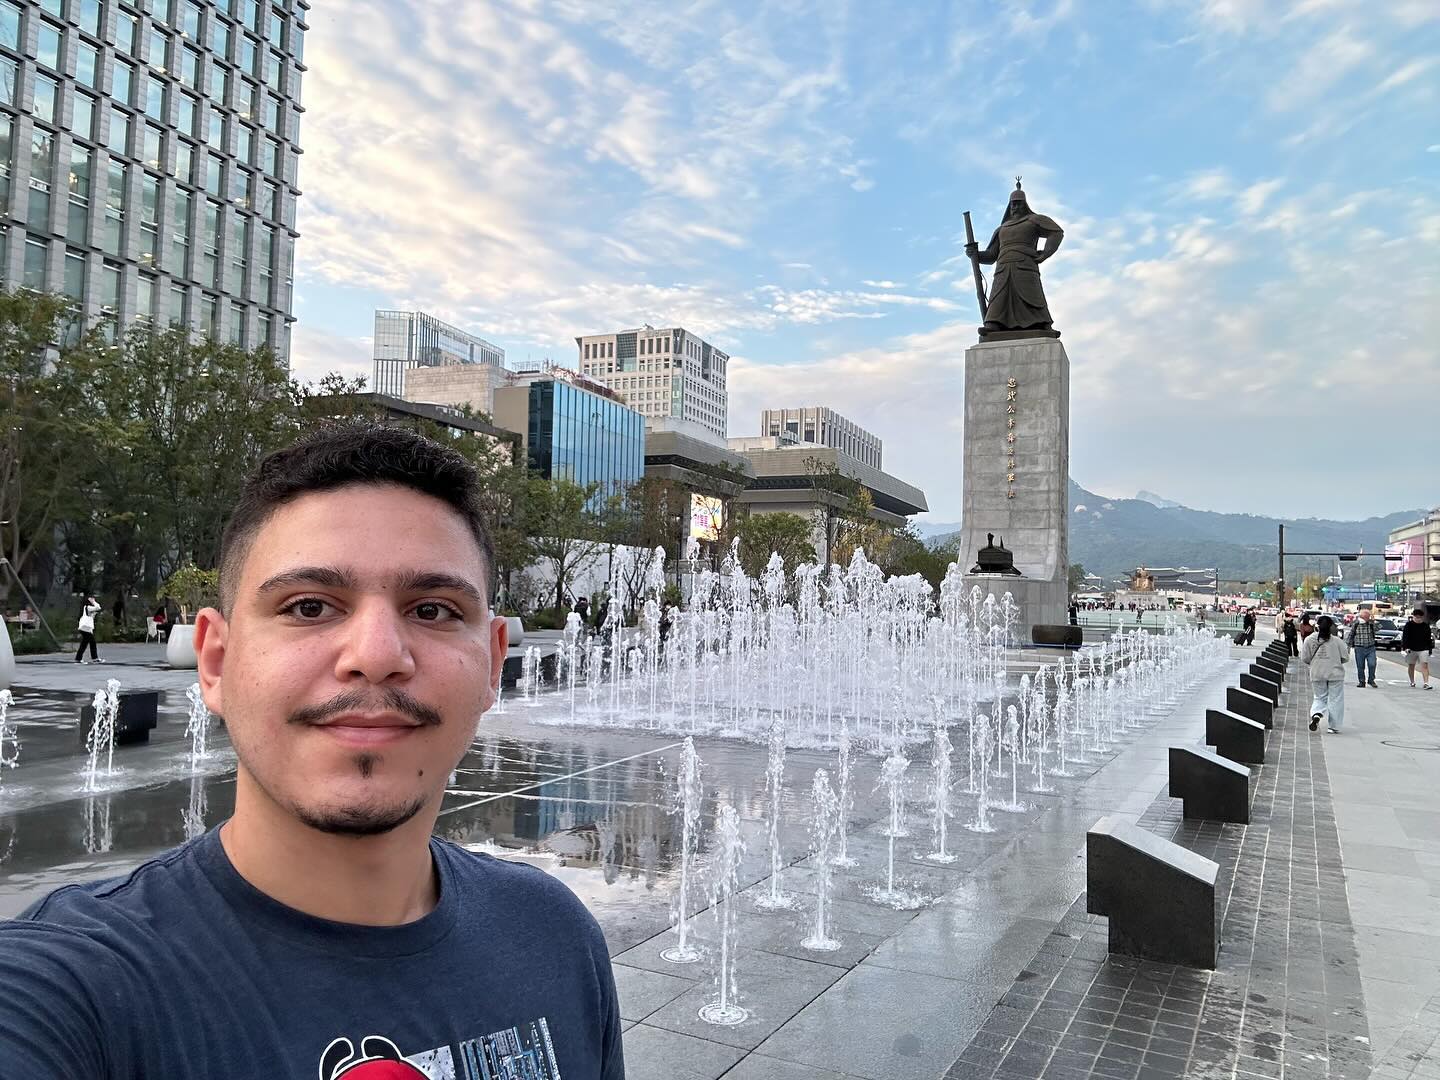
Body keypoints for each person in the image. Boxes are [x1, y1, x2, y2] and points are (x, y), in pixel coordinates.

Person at [0, 424, 625, 1079]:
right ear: (214, 662)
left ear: (494, 663)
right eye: (307, 606)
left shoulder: (553, 936)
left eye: (434, 610)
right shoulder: (71, 992)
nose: (378, 656)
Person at [1303, 614, 1351, 733]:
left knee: (1319, 697)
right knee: (1336, 699)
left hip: (1317, 673)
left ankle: (1316, 713)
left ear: (1317, 626)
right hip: (1335, 674)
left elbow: (1305, 658)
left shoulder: (1309, 640)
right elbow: (1345, 657)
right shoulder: (1337, 641)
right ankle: (1333, 726)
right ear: (1331, 627)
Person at [1401, 607, 1434, 690]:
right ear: (1413, 617)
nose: (1418, 619)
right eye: (1416, 617)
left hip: (1423, 648)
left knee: (1424, 665)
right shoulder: (1408, 625)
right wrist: (1405, 647)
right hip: (1411, 648)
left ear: (1422, 617)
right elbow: (1405, 637)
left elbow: (1428, 639)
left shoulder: (1425, 626)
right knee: (1411, 665)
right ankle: (1412, 681)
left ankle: (1426, 683)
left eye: (1419, 617)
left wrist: (1430, 649)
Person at [1346, 608, 1379, 688]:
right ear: (1362, 617)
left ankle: (1371, 680)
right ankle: (1361, 681)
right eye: (1366, 617)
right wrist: (1348, 646)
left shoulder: (1371, 624)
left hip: (1370, 647)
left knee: (1372, 664)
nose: (1367, 618)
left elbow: (1378, 628)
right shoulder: (1356, 624)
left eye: (1368, 617)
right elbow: (1351, 634)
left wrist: (1373, 621)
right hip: (1359, 648)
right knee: (1360, 666)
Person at [74, 595, 102, 665]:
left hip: (86, 628)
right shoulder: (88, 607)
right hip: (85, 628)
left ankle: (78, 659)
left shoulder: (87, 608)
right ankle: (94, 658)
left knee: (84, 644)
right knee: (92, 643)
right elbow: (98, 607)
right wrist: (94, 601)